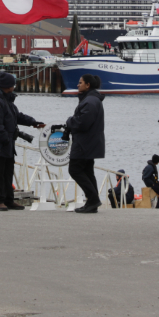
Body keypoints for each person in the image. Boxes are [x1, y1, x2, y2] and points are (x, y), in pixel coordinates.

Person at [0, 72, 44, 211]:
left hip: (7, 144)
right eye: (12, 84)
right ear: (8, 86)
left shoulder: (6, 100)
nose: (14, 87)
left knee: (8, 172)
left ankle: (9, 200)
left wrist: (33, 122)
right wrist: (6, 139)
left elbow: (17, 116)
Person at [65, 74, 105, 213]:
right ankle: (92, 202)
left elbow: (82, 123)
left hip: (84, 143)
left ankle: (93, 199)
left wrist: (69, 121)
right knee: (88, 171)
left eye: (80, 82)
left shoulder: (90, 102)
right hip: (90, 142)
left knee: (75, 169)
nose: (78, 85)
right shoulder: (92, 100)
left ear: (88, 85)